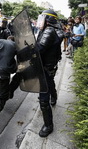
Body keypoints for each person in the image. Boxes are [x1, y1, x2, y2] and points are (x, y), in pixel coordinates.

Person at [35, 9, 64, 137]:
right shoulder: (47, 30)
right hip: (48, 66)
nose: (40, 21)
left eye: (42, 18)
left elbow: (39, 48)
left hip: (46, 67)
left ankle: (48, 125)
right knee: (50, 83)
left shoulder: (49, 30)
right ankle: (55, 96)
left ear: (48, 20)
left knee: (43, 100)